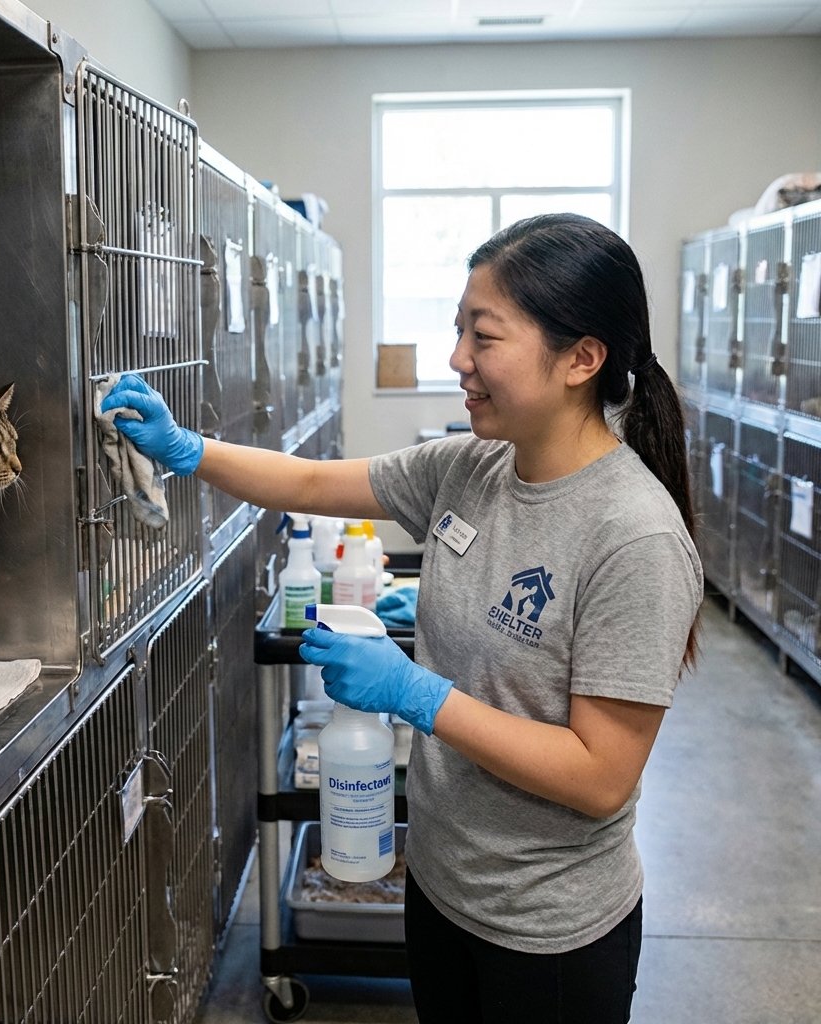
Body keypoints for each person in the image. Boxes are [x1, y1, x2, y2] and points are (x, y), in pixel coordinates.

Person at [102, 213, 703, 1024]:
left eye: (483, 337)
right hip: (441, 885)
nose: (458, 358)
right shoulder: (471, 467)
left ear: (582, 358)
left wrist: (419, 695)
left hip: (547, 934)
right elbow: (313, 485)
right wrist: (188, 450)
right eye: (459, 330)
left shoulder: (634, 536)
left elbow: (600, 777)